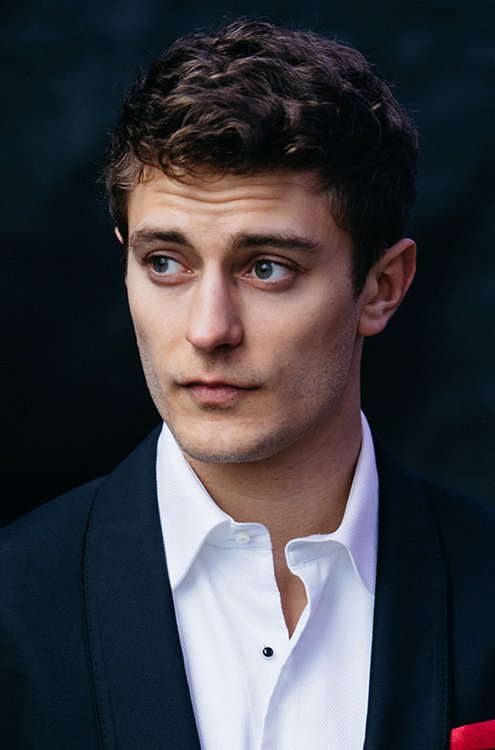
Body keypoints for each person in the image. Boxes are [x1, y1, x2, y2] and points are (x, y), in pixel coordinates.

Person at [1, 20, 494, 750]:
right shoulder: (13, 605)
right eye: (166, 262)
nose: (208, 330)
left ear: (381, 287)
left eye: (266, 268)